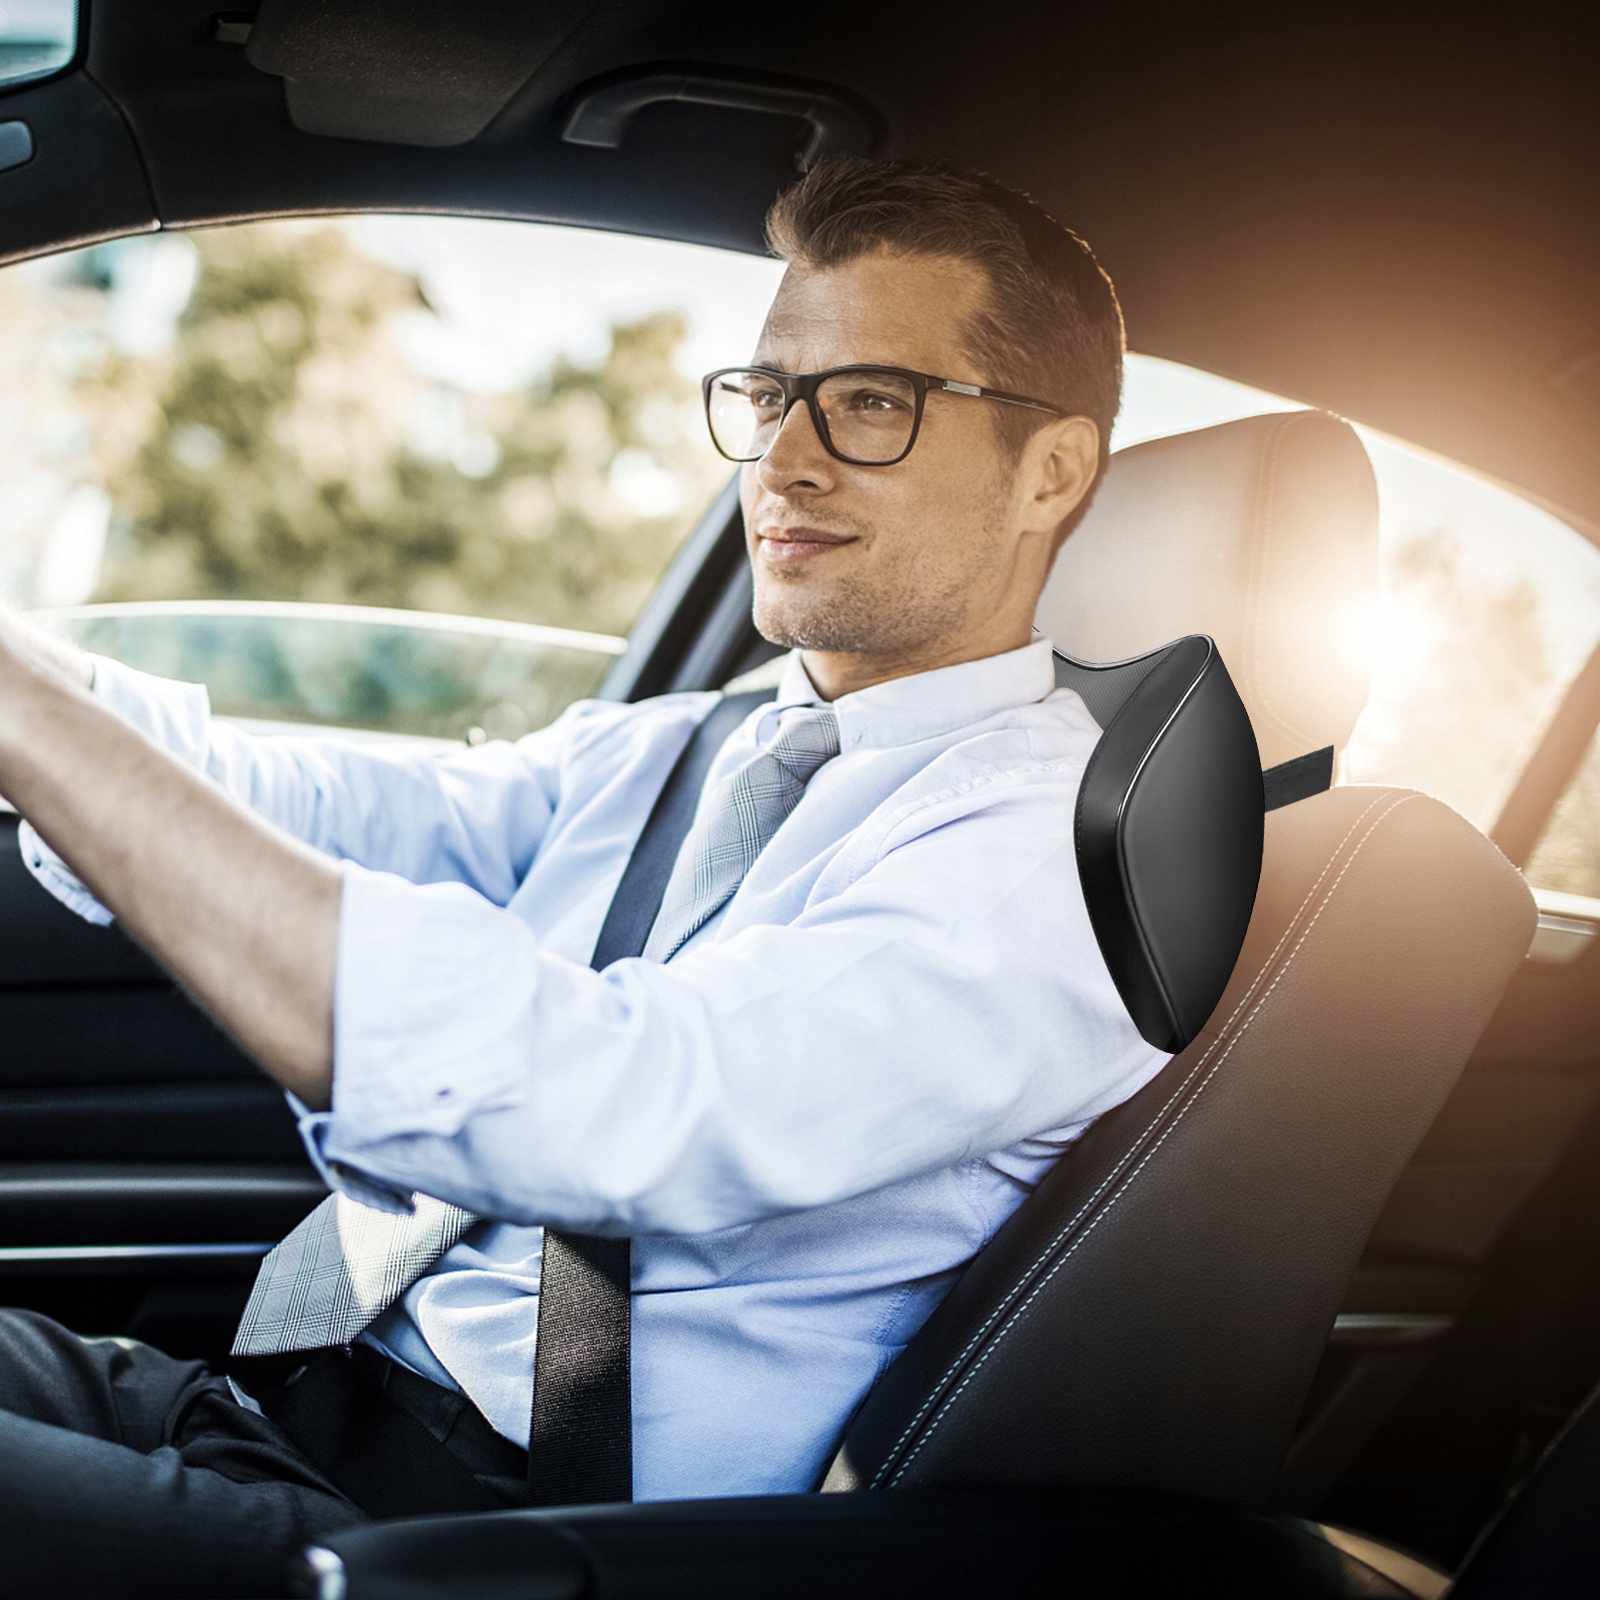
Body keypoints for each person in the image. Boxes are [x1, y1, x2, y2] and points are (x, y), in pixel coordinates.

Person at [0, 156, 1168, 1596]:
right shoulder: (689, 746)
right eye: (769, 396)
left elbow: (622, 1103)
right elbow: (342, 811)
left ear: (1053, 472)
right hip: (265, 1410)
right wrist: (37, 697)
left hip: (498, 1545)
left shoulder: (1045, 859)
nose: (782, 461)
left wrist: (23, 714)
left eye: (872, 402)